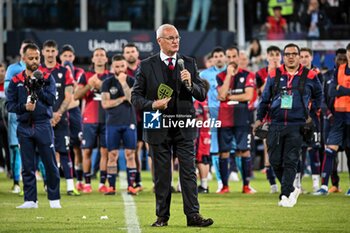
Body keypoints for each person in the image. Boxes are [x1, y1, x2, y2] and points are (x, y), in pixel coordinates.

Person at [132, 24, 213, 227]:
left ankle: (193, 216)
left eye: (177, 37)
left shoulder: (189, 63)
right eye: (170, 38)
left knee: (188, 172)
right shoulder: (147, 65)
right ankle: (162, 217)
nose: (175, 41)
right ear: (159, 41)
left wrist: (190, 84)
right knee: (162, 174)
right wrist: (153, 104)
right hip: (157, 124)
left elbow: (202, 94)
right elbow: (135, 97)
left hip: (184, 124)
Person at [254, 43, 322, 207]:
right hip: (275, 124)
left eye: (294, 54)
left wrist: (311, 115)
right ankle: (292, 188)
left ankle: (285, 195)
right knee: (275, 161)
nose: (291, 56)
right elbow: (264, 99)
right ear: (284, 57)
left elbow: (319, 96)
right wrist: (259, 119)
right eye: (288, 54)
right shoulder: (274, 74)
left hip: (297, 125)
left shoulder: (311, 75)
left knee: (291, 160)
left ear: (299, 56)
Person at [6, 43, 61, 208]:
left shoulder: (47, 76)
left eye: (37, 57)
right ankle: (30, 200)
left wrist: (39, 88)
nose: (35, 61)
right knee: (28, 166)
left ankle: (54, 199)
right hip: (24, 126)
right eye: (31, 58)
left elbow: (52, 100)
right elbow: (9, 106)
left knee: (50, 164)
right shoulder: (16, 81)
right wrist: (24, 108)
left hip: (43, 124)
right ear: (23, 59)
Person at [39, 40, 79, 196]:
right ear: (43, 52)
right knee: (44, 152)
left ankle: (70, 186)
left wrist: (58, 114)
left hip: (61, 118)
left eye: (52, 51)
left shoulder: (65, 71)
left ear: (56, 53)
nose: (50, 54)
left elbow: (69, 96)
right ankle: (48, 184)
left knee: (64, 151)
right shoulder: (38, 72)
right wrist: (47, 115)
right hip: (42, 119)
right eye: (47, 51)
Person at [216, 46, 256, 195]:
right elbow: (221, 95)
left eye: (234, 57)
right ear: (226, 58)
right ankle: (225, 187)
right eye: (229, 57)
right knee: (224, 152)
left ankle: (246, 186)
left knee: (244, 151)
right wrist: (228, 76)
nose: (232, 60)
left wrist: (229, 97)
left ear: (239, 58)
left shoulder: (248, 75)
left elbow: (248, 96)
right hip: (225, 118)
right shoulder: (220, 76)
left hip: (242, 118)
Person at [314, 43, 350, 196]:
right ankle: (324, 186)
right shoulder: (337, 71)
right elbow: (330, 91)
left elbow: (337, 90)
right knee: (329, 150)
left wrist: (340, 90)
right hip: (337, 117)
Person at [74, 48, 110, 193]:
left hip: (107, 119)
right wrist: (90, 85)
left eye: (102, 55)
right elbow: (76, 96)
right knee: (86, 151)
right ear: (93, 59)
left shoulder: (110, 76)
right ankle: (87, 183)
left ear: (106, 59)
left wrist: (102, 86)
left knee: (105, 152)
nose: (100, 58)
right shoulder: (85, 75)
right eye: (97, 55)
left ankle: (102, 183)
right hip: (89, 119)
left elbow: (116, 95)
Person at [101, 54, 138, 195]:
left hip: (129, 122)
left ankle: (131, 185)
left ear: (126, 66)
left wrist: (123, 84)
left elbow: (132, 100)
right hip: (112, 124)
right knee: (112, 155)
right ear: (112, 67)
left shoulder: (132, 81)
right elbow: (105, 103)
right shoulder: (107, 83)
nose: (120, 68)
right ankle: (111, 186)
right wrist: (122, 98)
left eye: (122, 66)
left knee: (130, 154)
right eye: (117, 66)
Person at [4, 39, 33, 194]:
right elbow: (8, 87)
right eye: (24, 49)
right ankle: (16, 182)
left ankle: (43, 183)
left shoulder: (37, 69)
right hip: (17, 114)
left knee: (37, 150)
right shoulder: (13, 68)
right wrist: (22, 86)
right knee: (16, 149)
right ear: (21, 52)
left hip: (34, 114)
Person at [199, 47, 227, 193]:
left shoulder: (231, 73)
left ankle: (232, 177)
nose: (218, 58)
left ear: (225, 57)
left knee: (232, 148)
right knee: (214, 147)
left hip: (229, 113)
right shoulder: (204, 74)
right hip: (212, 114)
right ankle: (220, 181)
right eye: (215, 56)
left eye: (220, 55)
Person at [255, 45, 282, 194]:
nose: (274, 57)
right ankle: (272, 184)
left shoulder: (287, 72)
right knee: (268, 148)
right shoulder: (260, 74)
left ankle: (290, 182)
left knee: (285, 148)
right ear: (267, 57)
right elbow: (260, 92)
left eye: (277, 54)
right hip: (267, 115)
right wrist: (271, 74)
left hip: (283, 115)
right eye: (271, 54)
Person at [59, 44, 85, 191]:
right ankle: (58, 175)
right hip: (60, 111)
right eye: (65, 56)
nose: (67, 58)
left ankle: (79, 178)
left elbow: (77, 94)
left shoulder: (79, 72)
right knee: (58, 147)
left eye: (70, 56)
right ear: (60, 57)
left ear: (73, 57)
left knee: (77, 146)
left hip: (74, 112)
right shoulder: (56, 71)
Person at [321, 48, 347, 193]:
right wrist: (328, 114)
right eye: (339, 59)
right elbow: (322, 99)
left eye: (344, 59)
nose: (342, 61)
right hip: (330, 120)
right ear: (335, 60)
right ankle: (333, 184)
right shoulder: (327, 76)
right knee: (330, 152)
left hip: (345, 119)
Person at [298, 47, 323, 193]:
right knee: (298, 151)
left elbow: (320, 94)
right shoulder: (296, 74)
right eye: (301, 56)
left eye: (306, 56)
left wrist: (312, 108)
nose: (303, 59)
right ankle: (297, 185)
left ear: (311, 57)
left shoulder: (316, 74)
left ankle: (316, 184)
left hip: (313, 119)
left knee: (314, 150)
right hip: (298, 119)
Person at [123, 43, 144, 191]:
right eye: (127, 52)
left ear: (137, 54)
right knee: (134, 149)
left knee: (150, 148)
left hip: (147, 114)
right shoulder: (121, 72)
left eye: (132, 51)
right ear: (124, 55)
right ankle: (138, 181)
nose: (130, 54)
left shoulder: (145, 68)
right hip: (130, 115)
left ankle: (159, 183)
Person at [194, 79, 211, 193]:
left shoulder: (198, 102)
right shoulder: (206, 100)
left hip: (200, 133)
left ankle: (204, 186)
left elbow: (198, 119)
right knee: (204, 158)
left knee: (200, 159)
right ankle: (204, 185)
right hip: (207, 132)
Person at [0, 63, 10, 176]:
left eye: (2, 71)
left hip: (7, 120)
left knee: (9, 146)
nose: (1, 73)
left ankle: (10, 168)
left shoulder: (8, 85)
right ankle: (1, 165)